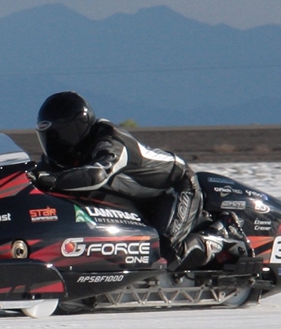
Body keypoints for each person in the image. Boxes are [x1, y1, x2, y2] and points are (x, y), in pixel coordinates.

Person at [32, 91, 248, 271]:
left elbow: (96, 175)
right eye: (50, 136)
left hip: (175, 187)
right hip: (136, 197)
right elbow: (36, 176)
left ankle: (222, 233)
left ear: (80, 126)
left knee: (164, 253)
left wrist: (52, 179)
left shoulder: (110, 141)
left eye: (60, 134)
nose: (56, 142)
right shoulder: (58, 160)